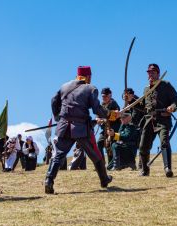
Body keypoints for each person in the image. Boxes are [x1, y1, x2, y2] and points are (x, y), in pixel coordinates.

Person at [45, 66, 117, 194]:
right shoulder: (91, 88)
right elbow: (96, 109)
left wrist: (58, 117)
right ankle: (104, 180)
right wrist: (110, 114)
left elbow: (53, 100)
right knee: (95, 153)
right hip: (81, 127)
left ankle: (49, 180)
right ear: (88, 76)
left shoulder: (65, 86)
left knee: (58, 155)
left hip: (64, 126)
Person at [139, 63, 177, 177]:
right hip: (149, 120)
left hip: (163, 119)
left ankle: (167, 168)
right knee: (143, 146)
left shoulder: (166, 85)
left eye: (153, 72)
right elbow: (142, 106)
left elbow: (176, 101)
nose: (150, 74)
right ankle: (145, 170)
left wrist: (172, 107)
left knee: (164, 143)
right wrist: (130, 99)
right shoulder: (146, 89)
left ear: (158, 73)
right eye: (149, 72)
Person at [96, 87, 121, 164]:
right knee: (99, 144)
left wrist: (104, 119)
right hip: (105, 129)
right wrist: (98, 119)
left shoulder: (113, 104)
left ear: (110, 95)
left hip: (113, 129)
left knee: (110, 145)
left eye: (106, 96)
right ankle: (101, 163)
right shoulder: (102, 105)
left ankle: (112, 164)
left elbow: (115, 115)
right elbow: (97, 116)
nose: (104, 98)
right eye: (103, 96)